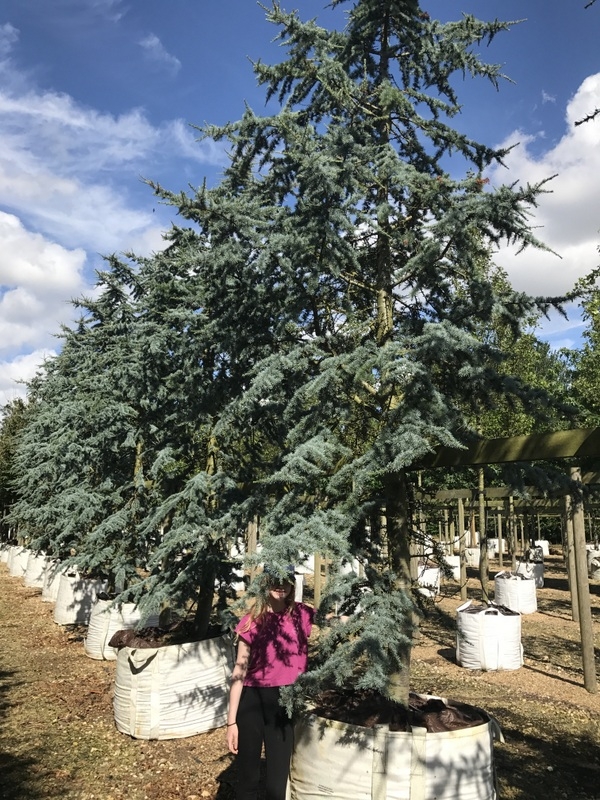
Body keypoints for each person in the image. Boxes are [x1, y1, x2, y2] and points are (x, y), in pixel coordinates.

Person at [226, 567, 315, 800]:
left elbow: (340, 621)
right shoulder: (251, 622)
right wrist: (231, 722)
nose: (280, 584)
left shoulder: (303, 615)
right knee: (248, 778)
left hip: (283, 703)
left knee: (277, 781)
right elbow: (239, 669)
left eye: (286, 580)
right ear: (265, 583)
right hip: (251, 701)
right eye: (274, 579)